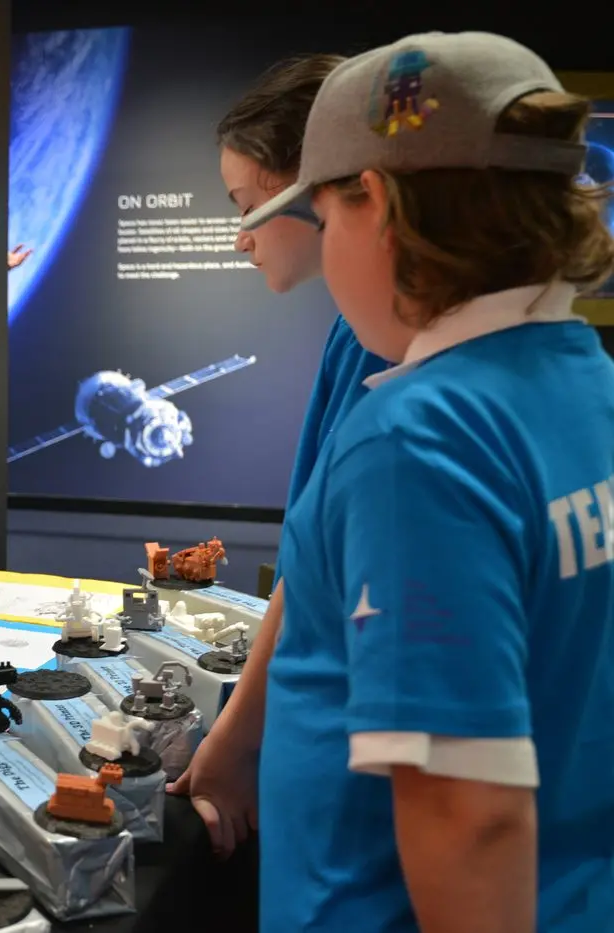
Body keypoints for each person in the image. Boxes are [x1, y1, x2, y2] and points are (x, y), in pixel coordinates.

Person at [241, 32, 614, 931]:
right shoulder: (589, 383)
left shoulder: (419, 438)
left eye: (326, 219)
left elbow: (470, 815)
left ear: (375, 201)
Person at [168, 53, 389, 857]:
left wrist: (235, 738)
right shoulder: (356, 334)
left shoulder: (396, 362)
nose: (240, 236)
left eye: (250, 205)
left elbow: (322, 566)